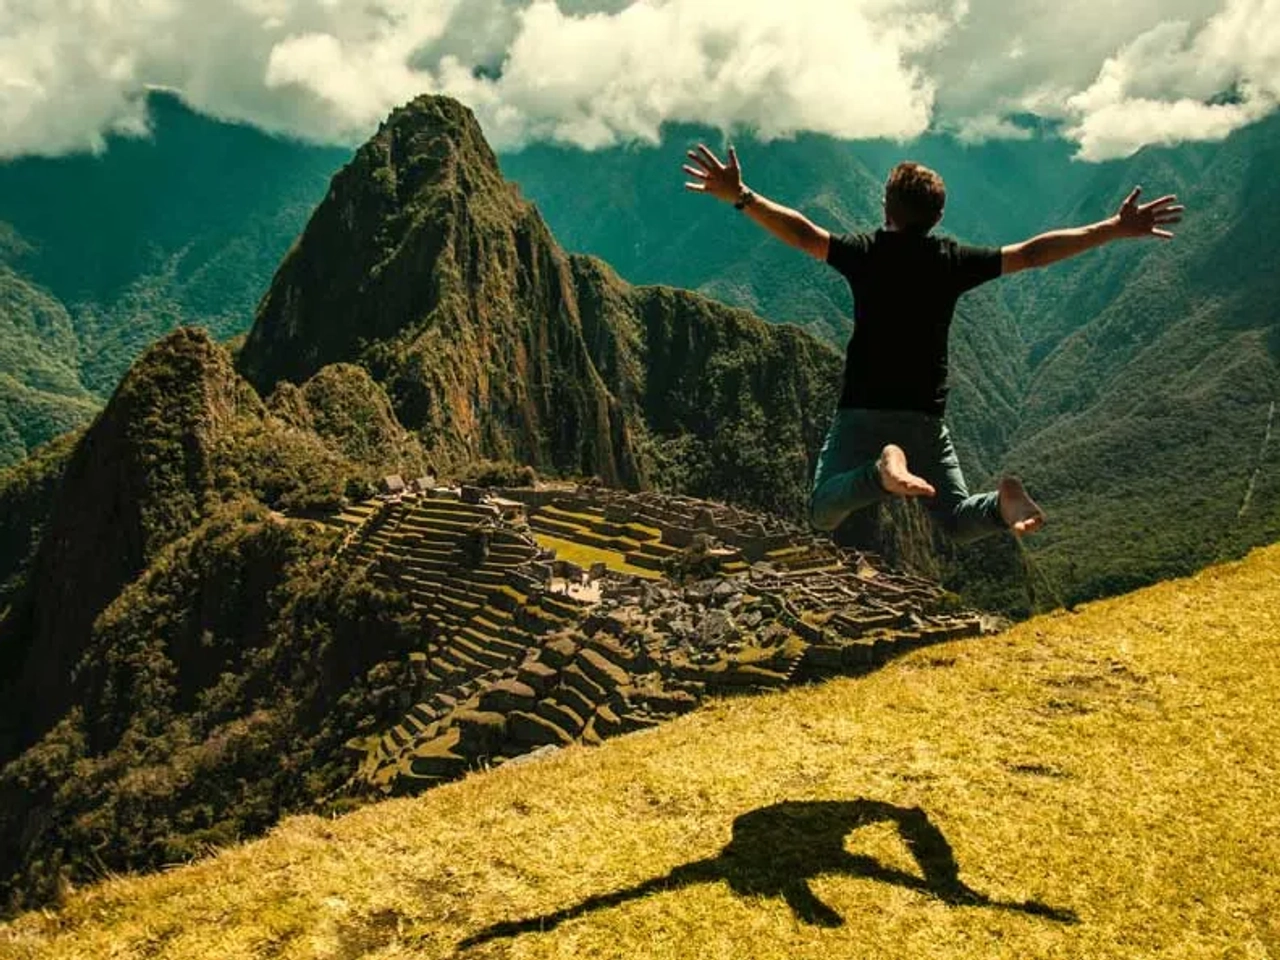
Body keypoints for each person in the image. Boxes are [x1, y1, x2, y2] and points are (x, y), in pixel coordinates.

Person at [682, 146, 1183, 542]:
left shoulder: (866, 254)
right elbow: (1033, 254)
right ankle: (1001, 503)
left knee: (821, 511)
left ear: (886, 207)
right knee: (958, 520)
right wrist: (1113, 228)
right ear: (938, 217)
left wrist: (741, 195)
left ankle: (880, 472)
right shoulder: (951, 261)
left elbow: (804, 234)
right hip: (924, 418)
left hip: (862, 411)